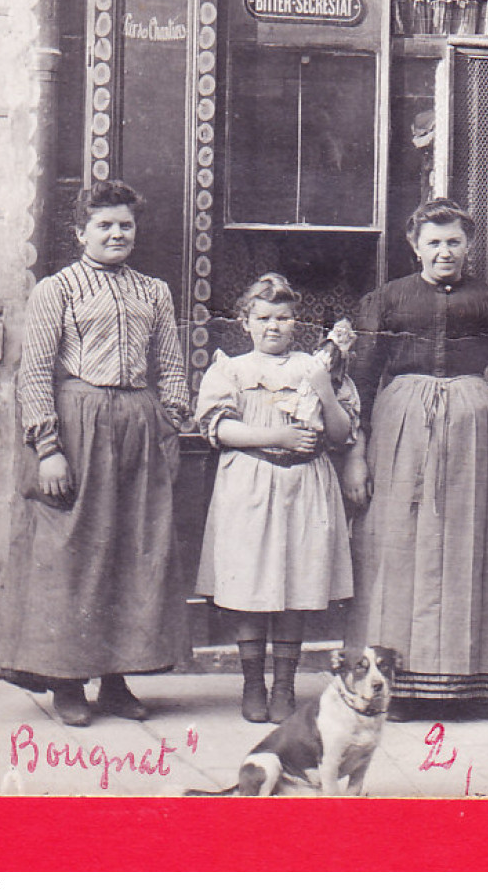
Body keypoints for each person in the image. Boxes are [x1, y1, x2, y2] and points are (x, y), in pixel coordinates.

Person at [2, 179, 191, 727]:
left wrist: (169, 422)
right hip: (77, 424)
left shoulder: (154, 291)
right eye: (104, 225)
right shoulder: (56, 290)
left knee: (131, 551)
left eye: (125, 225)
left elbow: (172, 366)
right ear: (80, 231)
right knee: (72, 554)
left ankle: (115, 680)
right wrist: (48, 449)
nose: (116, 234)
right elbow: (34, 373)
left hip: (138, 426)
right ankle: (65, 681)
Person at [343, 199, 488, 716]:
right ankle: (396, 685)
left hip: (474, 430)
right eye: (434, 242)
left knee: (468, 545)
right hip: (400, 428)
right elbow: (359, 385)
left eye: (453, 241)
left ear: (468, 245)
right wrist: (355, 459)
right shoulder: (385, 300)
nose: (444, 251)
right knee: (397, 548)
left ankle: (465, 685)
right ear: (415, 245)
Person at [195, 274, 359, 723]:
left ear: (296, 322)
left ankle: (284, 686)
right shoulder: (231, 368)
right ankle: (253, 684)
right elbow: (219, 429)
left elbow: (343, 434)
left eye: (283, 318)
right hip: (251, 482)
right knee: (251, 585)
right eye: (263, 318)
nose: (274, 327)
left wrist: (325, 390)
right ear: (245, 322)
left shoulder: (313, 366)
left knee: (295, 584)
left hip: (305, 484)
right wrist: (277, 435)